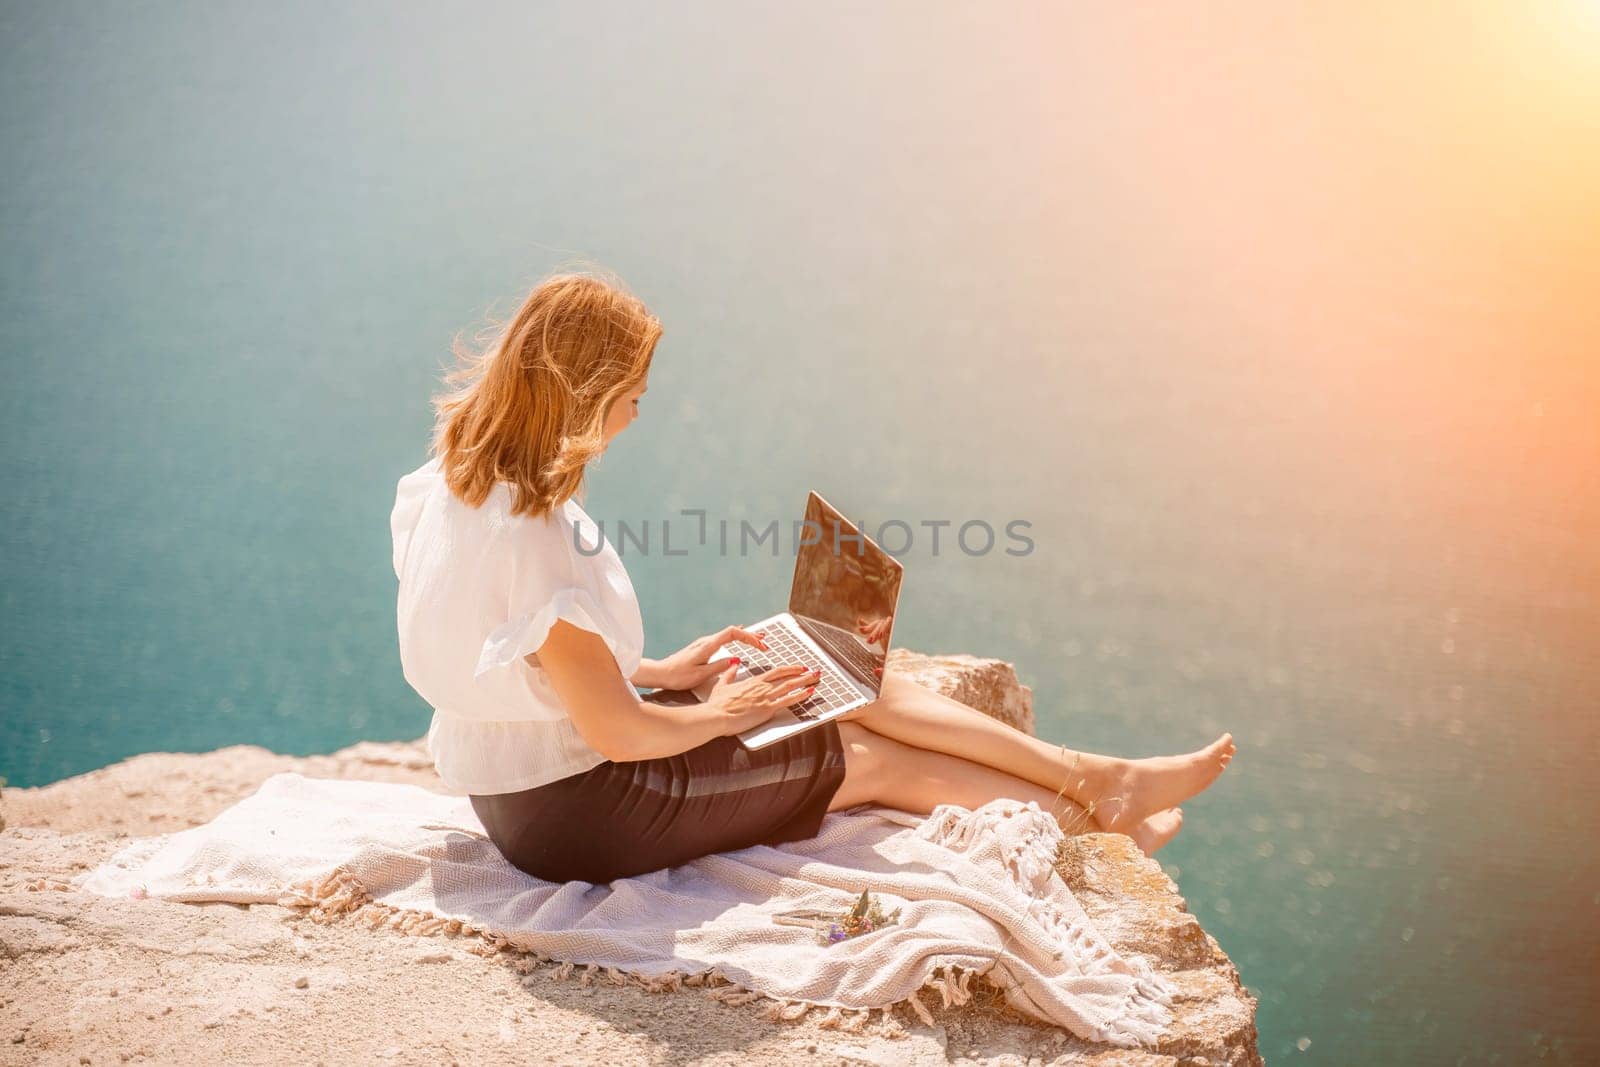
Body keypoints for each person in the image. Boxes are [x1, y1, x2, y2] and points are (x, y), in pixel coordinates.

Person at [390, 268, 1236, 885]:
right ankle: (1091, 830)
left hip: (519, 782)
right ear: (588, 395)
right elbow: (621, 738)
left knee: (831, 666)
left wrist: (658, 673)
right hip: (578, 812)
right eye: (634, 393)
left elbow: (514, 651)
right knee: (860, 754)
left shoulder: (457, 478)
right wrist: (716, 712)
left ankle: (1096, 777)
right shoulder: (534, 539)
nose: (641, 410)